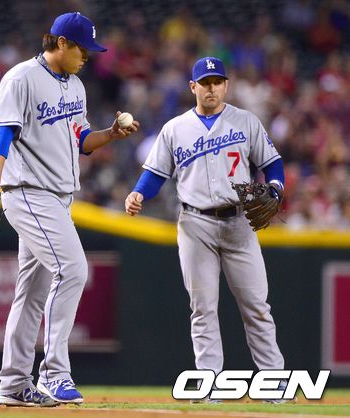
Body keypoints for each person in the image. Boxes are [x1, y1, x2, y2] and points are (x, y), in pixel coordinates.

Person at [0, 12, 138, 407]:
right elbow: (1, 134)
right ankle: (54, 374)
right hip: (29, 192)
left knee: (31, 294)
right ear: (62, 43)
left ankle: (13, 383)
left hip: (59, 198)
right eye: (83, 49)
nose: (88, 57)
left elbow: (81, 139)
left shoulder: (76, 85)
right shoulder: (21, 78)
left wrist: (111, 134)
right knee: (73, 269)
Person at [125, 57, 291, 404]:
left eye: (217, 81)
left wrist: (275, 188)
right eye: (205, 82)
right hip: (195, 223)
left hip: (240, 222)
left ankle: (274, 384)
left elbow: (272, 163)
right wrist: (139, 192)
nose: (211, 88)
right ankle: (209, 385)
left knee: (257, 307)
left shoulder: (246, 121)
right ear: (193, 87)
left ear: (226, 86)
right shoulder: (175, 128)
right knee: (203, 309)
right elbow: (155, 173)